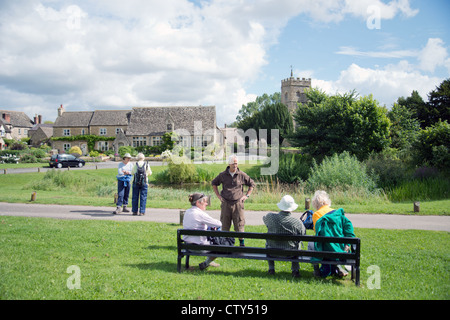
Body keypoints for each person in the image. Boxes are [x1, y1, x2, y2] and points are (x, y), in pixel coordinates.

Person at [211, 154, 255, 247]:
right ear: (229, 164)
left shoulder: (242, 175)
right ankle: (225, 245)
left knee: (239, 224)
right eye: (233, 164)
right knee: (225, 225)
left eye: (236, 163)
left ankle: (241, 245)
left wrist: (246, 195)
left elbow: (252, 184)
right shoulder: (222, 175)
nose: (235, 165)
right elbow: (214, 183)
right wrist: (218, 196)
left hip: (238, 203)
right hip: (225, 203)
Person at [311, 190, 355, 278]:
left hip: (324, 248)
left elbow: (317, 232)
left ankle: (316, 271)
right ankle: (337, 267)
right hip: (340, 247)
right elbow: (349, 228)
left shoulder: (316, 214)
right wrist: (347, 244)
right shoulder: (337, 214)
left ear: (316, 204)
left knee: (311, 243)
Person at [263, 195, 305, 277]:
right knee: (297, 244)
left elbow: (265, 221)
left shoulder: (270, 217)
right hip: (290, 252)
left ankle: (271, 268)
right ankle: (295, 270)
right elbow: (303, 233)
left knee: (267, 243)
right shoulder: (297, 222)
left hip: (272, 250)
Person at [183, 193, 222, 270]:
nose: (206, 204)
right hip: (199, 247)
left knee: (210, 229)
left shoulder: (187, 212)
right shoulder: (200, 214)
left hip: (187, 246)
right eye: (205, 202)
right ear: (198, 203)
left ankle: (209, 261)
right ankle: (207, 262)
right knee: (221, 245)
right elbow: (219, 224)